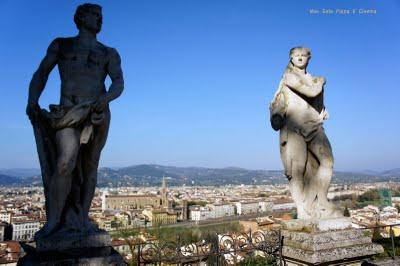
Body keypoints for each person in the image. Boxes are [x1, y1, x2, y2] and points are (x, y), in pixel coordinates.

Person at [26, 3, 124, 239]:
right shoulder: (62, 45)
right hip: (68, 112)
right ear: (80, 18)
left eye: (101, 16)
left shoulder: (108, 53)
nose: (100, 19)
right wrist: (32, 100)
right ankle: (54, 222)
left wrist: (105, 98)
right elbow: (41, 73)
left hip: (98, 113)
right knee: (65, 163)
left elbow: (119, 82)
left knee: (90, 166)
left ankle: (80, 218)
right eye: (95, 15)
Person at [270, 47, 340, 219]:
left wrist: (322, 109)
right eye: (296, 55)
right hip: (294, 129)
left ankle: (320, 200)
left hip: (314, 126)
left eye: (303, 55)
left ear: (309, 58)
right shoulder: (289, 77)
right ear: (291, 58)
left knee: (327, 162)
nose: (300, 58)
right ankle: (302, 209)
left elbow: (315, 99)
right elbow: (311, 91)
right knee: (297, 171)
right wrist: (321, 81)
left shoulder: (311, 78)